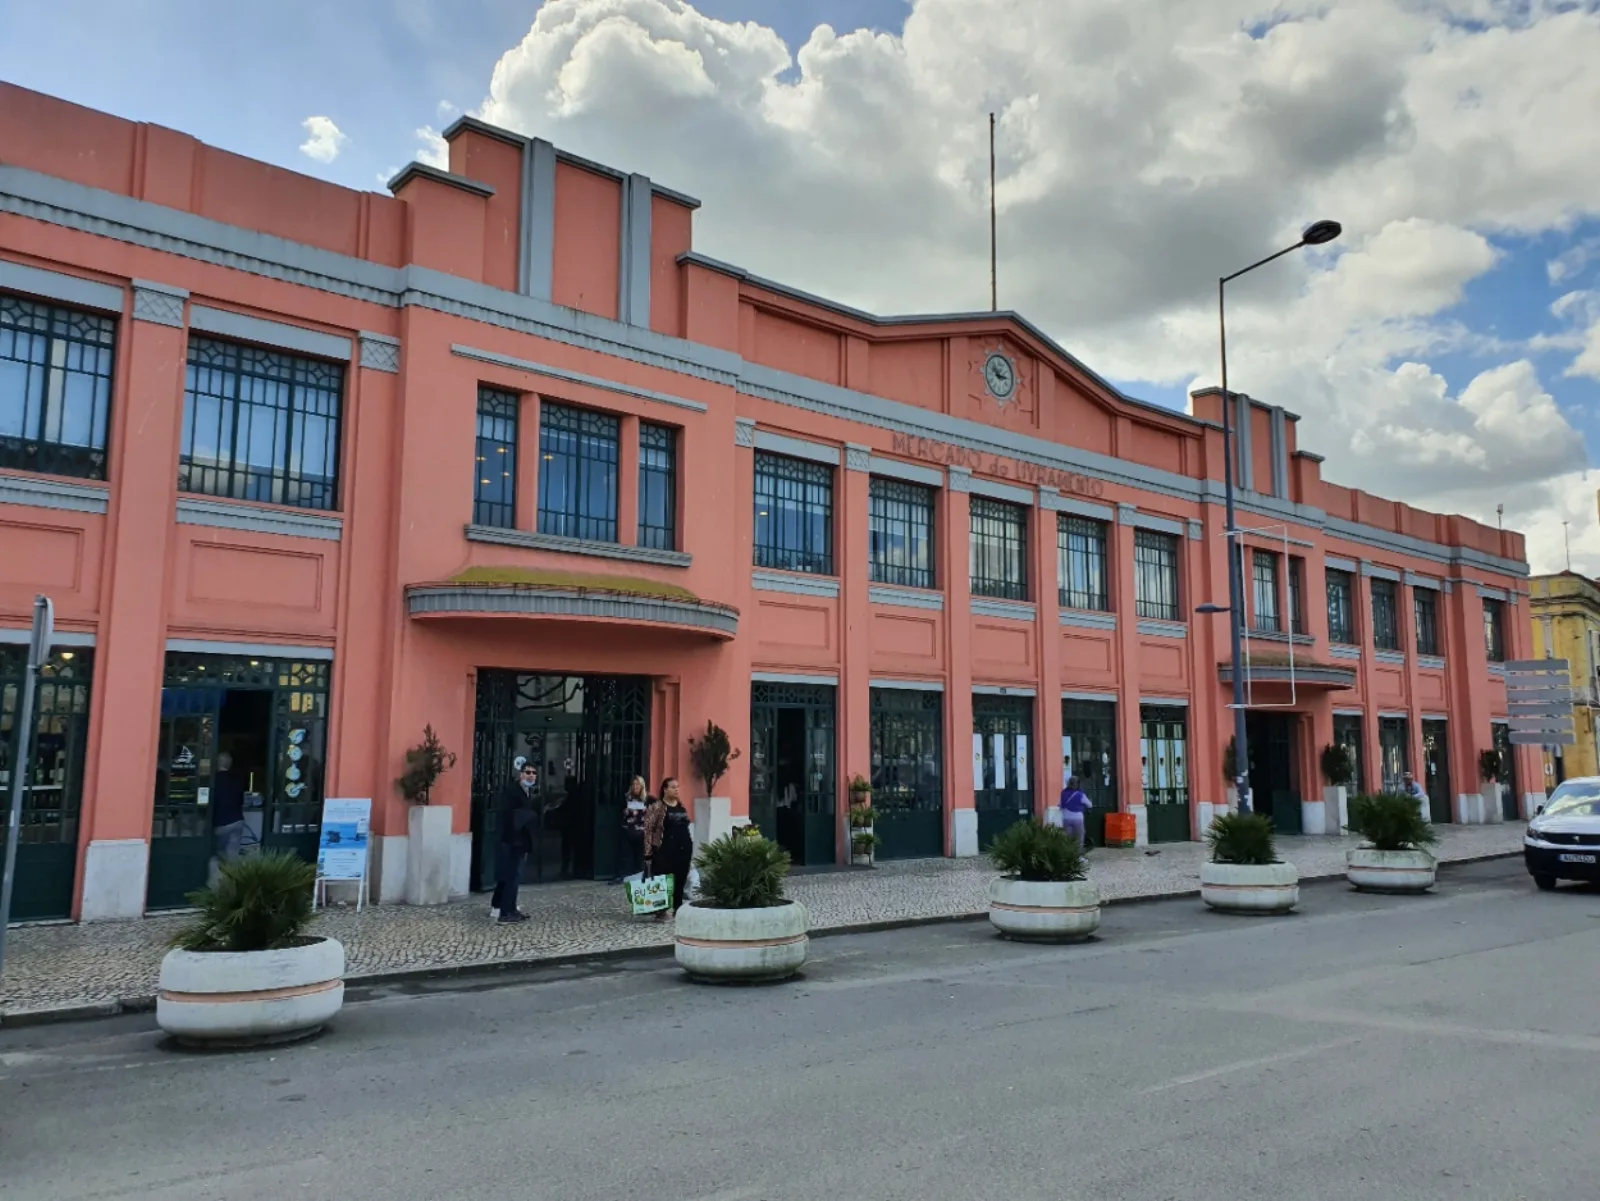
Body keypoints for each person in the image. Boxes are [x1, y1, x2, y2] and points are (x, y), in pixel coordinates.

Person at [493, 761, 538, 924]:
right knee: (512, 876)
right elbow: (509, 816)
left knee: (514, 876)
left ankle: (509, 909)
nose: (531, 775)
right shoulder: (513, 791)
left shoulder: (526, 791)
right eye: (528, 772)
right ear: (521, 774)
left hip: (519, 841)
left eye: (533, 773)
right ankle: (505, 913)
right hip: (512, 841)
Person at [643, 776, 694, 920]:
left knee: (680, 879)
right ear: (665, 789)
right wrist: (647, 852)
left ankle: (678, 907)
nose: (676, 789)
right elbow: (648, 830)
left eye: (678, 786)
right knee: (662, 878)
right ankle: (661, 909)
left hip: (683, 848)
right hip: (664, 848)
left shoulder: (681, 805)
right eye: (673, 787)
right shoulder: (656, 807)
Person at [608, 776, 649, 884]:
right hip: (627, 831)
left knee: (639, 857)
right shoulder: (626, 798)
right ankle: (621, 876)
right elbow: (617, 811)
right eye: (634, 784)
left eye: (638, 784)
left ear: (642, 786)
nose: (635, 787)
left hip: (641, 832)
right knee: (624, 855)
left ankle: (638, 876)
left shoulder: (648, 799)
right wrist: (624, 812)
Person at [211, 751, 248, 867]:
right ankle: (233, 877)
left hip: (221, 823)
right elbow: (241, 800)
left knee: (219, 853)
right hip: (237, 820)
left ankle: (222, 877)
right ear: (230, 764)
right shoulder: (237, 779)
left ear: (217, 763)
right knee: (233, 854)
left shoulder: (213, 780)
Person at [1059, 774, 1093, 849]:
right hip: (1078, 818)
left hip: (1066, 818)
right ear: (1078, 784)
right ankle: (1078, 856)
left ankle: (1068, 855)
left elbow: (1060, 805)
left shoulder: (1063, 793)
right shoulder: (1080, 794)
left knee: (1067, 838)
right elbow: (1090, 805)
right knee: (1079, 838)